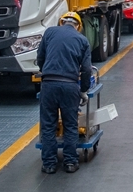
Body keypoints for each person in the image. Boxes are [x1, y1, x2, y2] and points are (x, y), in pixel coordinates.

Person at [36, 11, 92, 174]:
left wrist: (46, 72)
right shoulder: (82, 40)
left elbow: (40, 57)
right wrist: (83, 90)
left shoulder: (49, 32)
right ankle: (70, 162)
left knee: (48, 125)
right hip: (70, 85)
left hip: (49, 84)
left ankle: (49, 164)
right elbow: (87, 69)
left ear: (61, 22)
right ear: (78, 26)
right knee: (70, 125)